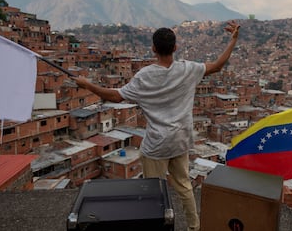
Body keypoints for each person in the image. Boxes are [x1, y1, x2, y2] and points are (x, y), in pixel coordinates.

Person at [72, 20, 240, 231]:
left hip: (156, 145)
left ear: (153, 49)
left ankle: (158, 225)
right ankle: (194, 226)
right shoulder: (189, 69)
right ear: (175, 47)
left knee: (154, 191)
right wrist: (233, 40)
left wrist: (87, 84)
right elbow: (217, 65)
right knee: (184, 186)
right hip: (180, 140)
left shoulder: (145, 76)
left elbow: (115, 96)